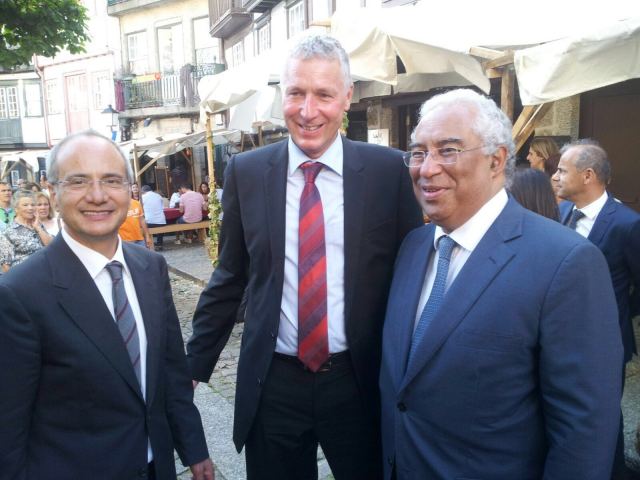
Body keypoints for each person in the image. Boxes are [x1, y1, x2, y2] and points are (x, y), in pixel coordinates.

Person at [187, 35, 422, 480]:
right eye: (296, 92)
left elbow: (410, 277)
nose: (307, 110)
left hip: (357, 379)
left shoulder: (387, 172)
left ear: (347, 98)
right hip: (274, 383)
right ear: (283, 95)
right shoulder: (248, 172)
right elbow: (231, 275)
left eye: (324, 95)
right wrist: (193, 366)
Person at [379, 89, 622, 480]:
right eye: (419, 152)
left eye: (448, 150)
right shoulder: (413, 247)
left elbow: (584, 430)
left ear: (497, 160)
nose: (426, 168)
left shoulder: (566, 262)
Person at [0, 130, 214, 479]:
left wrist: (193, 447)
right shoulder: (19, 294)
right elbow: (8, 427)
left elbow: (171, 369)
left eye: (111, 180)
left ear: (129, 190)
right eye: (79, 181)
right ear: (52, 193)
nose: (97, 196)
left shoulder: (150, 267)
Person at [553, 139, 640, 479]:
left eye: (562, 170)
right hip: (560, 338)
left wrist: (616, 312)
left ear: (587, 175)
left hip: (604, 342)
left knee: (603, 416)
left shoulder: (627, 224)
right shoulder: (561, 212)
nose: (556, 176)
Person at [0, 190, 52, 272]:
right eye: (25, 205)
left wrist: (38, 228)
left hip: (46, 273)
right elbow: (6, 266)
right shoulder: (8, 232)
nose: (30, 208)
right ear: (16, 209)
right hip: (24, 278)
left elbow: (51, 246)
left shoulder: (38, 225)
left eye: (33, 205)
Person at [141, 184, 167, 250]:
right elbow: (162, 208)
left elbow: (140, 210)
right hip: (161, 222)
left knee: (142, 225)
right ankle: (159, 243)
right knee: (159, 222)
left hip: (149, 222)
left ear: (143, 191)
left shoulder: (143, 197)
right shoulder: (158, 196)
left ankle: (147, 243)